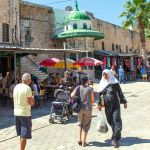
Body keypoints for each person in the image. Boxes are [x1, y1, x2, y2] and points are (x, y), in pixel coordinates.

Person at [98, 69, 127, 148]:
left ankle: (115, 139)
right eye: (103, 75)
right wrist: (99, 104)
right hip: (107, 106)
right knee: (110, 121)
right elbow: (100, 95)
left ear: (109, 75)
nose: (105, 76)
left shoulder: (114, 82)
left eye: (106, 75)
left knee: (116, 120)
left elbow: (120, 92)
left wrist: (124, 102)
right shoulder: (102, 83)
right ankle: (115, 134)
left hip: (115, 105)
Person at [71, 75, 94, 147]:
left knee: (80, 123)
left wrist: (77, 98)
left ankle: (79, 139)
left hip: (80, 109)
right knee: (86, 126)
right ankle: (84, 142)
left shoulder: (78, 87)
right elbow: (92, 100)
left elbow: (72, 95)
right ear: (87, 80)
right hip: (88, 109)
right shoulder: (90, 89)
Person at [13, 73, 34, 150]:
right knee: (24, 136)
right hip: (25, 113)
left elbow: (13, 99)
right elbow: (31, 102)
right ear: (28, 80)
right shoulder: (27, 88)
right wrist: (33, 98)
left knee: (21, 134)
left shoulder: (16, 86)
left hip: (16, 112)